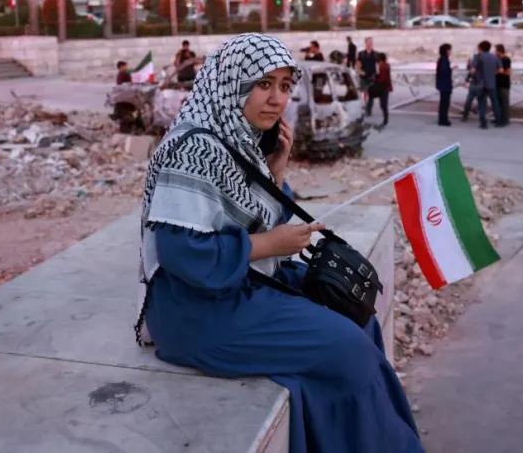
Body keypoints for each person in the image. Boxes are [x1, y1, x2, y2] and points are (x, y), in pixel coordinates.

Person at [135, 33, 422, 453]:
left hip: (239, 286)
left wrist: (277, 172)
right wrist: (270, 245)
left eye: (285, 86)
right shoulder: (192, 149)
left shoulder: (238, 140)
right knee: (350, 352)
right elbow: (182, 254)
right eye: (263, 84)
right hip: (196, 311)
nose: (276, 99)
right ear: (232, 83)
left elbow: (254, 219)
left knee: (358, 315)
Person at [473, 41, 501, 130]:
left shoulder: (477, 57)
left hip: (481, 83)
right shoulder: (494, 57)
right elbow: (500, 70)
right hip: (492, 83)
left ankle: (483, 123)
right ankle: (498, 121)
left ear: (480, 48)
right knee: (495, 103)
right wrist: (492, 73)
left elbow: (473, 70)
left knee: (482, 103)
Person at [366, 52, 393, 126]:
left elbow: (382, 79)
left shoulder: (383, 66)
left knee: (383, 104)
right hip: (384, 88)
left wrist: (375, 80)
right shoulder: (384, 66)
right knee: (382, 104)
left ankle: (385, 120)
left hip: (383, 88)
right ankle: (385, 119)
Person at [356, 37, 378, 104]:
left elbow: (378, 66)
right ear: (365, 43)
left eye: (371, 42)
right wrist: (360, 72)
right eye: (369, 42)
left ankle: (369, 108)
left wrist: (378, 74)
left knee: (371, 94)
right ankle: (364, 106)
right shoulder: (361, 54)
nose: (370, 43)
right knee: (363, 93)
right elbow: (358, 65)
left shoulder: (376, 54)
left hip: (372, 76)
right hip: (363, 76)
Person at [435, 43, 453, 126]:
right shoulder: (444, 60)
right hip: (445, 84)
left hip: (442, 83)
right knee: (445, 103)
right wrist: (450, 70)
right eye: (449, 50)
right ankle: (443, 120)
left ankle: (442, 119)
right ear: (446, 51)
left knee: (443, 103)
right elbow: (444, 71)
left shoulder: (442, 59)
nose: (450, 51)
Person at [495, 44, 512, 127]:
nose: (494, 52)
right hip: (497, 84)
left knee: (504, 103)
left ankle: (505, 120)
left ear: (499, 51)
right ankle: (499, 118)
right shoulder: (497, 59)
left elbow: (509, 72)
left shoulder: (506, 59)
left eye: (495, 50)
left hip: (504, 84)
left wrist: (499, 72)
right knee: (498, 103)